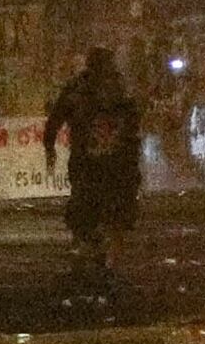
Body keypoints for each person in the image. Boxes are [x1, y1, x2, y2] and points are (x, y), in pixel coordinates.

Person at [49, 47, 146, 286]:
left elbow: (132, 125)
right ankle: (99, 254)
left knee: (108, 213)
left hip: (108, 165)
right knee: (99, 212)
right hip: (98, 164)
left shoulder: (103, 89)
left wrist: (49, 145)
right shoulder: (94, 89)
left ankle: (104, 258)